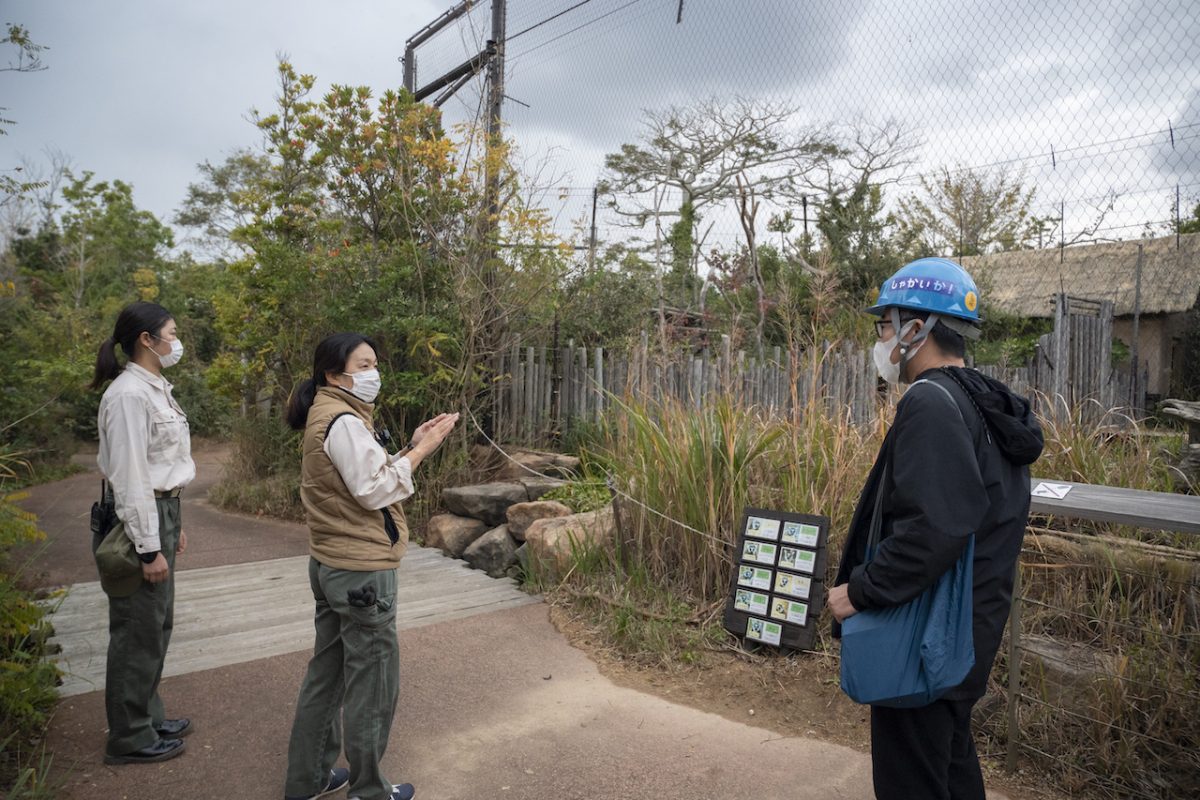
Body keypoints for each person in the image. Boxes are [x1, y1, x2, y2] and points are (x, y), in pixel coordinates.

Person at [828, 258, 1044, 800]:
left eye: (885, 324)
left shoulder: (930, 402)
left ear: (917, 328)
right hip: (967, 630)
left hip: (924, 638)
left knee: (913, 780)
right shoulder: (982, 403)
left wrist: (861, 591)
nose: (881, 339)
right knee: (948, 767)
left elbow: (937, 529)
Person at [282, 332, 458, 800]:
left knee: (328, 674)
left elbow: (362, 479)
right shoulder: (342, 420)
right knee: (373, 683)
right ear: (333, 374)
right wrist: (421, 453)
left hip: (332, 562)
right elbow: (374, 491)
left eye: (374, 363)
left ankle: (309, 780)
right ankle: (370, 790)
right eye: (363, 365)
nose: (372, 373)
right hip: (360, 571)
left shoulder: (332, 413)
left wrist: (411, 445)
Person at [91, 301, 195, 764]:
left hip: (162, 511)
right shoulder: (129, 395)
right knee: (136, 630)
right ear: (146, 341)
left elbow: (162, 466)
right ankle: (129, 737)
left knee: (156, 625)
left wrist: (174, 526)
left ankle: (148, 715)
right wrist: (149, 546)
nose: (177, 340)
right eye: (171, 332)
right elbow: (132, 477)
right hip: (141, 516)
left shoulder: (154, 388)